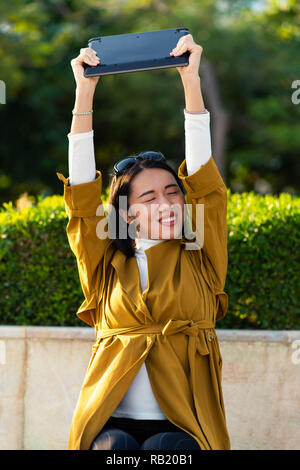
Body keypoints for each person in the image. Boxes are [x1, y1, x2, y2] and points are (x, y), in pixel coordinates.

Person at [56, 33, 230, 451]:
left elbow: (205, 181)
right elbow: (81, 198)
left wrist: (190, 81)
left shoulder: (199, 255)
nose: (168, 203)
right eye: (149, 197)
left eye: (173, 192)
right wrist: (85, 92)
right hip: (110, 419)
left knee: (166, 450)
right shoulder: (105, 267)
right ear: (127, 213)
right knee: (113, 449)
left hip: (184, 421)